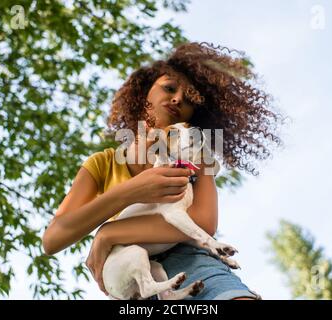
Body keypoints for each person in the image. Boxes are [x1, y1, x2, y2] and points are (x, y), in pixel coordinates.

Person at [42, 42, 282, 300]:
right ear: (145, 92)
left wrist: (108, 233)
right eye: (169, 88)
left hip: (190, 261)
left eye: (189, 100)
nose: (178, 98)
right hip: (130, 279)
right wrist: (129, 192)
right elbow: (53, 239)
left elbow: (204, 222)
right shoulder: (103, 163)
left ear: (194, 116)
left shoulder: (196, 157)